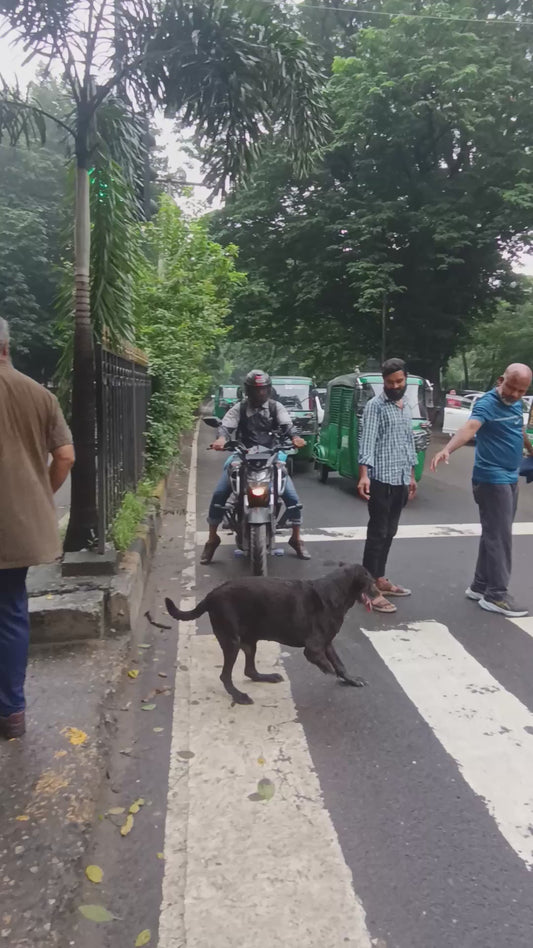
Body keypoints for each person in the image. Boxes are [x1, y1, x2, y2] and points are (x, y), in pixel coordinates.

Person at [0, 318, 75, 739]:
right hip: (18, 527)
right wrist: (41, 496)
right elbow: (65, 456)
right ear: (7, 347)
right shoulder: (39, 394)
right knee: (10, 611)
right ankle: (11, 712)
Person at [431, 363, 533, 617]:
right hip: (491, 478)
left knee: (495, 533)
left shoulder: (517, 404)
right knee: (500, 536)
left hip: (510, 476)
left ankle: (479, 586)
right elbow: (469, 429)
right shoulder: (486, 404)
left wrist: (531, 450)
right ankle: (496, 595)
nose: (517, 395)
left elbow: (518, 430)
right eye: (512, 388)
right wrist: (447, 449)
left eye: (522, 391)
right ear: (501, 380)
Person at [201, 370, 311, 564]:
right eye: (256, 390)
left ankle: (296, 538)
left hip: (272, 455)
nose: (260, 394)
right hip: (243, 455)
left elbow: (287, 426)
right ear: (248, 390)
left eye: (263, 390)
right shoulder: (239, 408)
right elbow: (226, 426)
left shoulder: (276, 408)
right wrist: (221, 439)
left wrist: (295, 438)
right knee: (219, 493)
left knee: (292, 497)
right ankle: (212, 538)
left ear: (268, 390)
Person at [358, 358, 417, 614]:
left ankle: (380, 578)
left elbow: (408, 441)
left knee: (390, 531)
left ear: (406, 379)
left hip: (401, 478)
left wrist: (412, 475)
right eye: (390, 382)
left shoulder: (406, 405)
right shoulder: (375, 407)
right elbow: (367, 442)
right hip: (381, 479)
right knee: (377, 533)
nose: (395, 386)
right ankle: (367, 588)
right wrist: (364, 475)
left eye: (399, 381)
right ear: (383, 382)